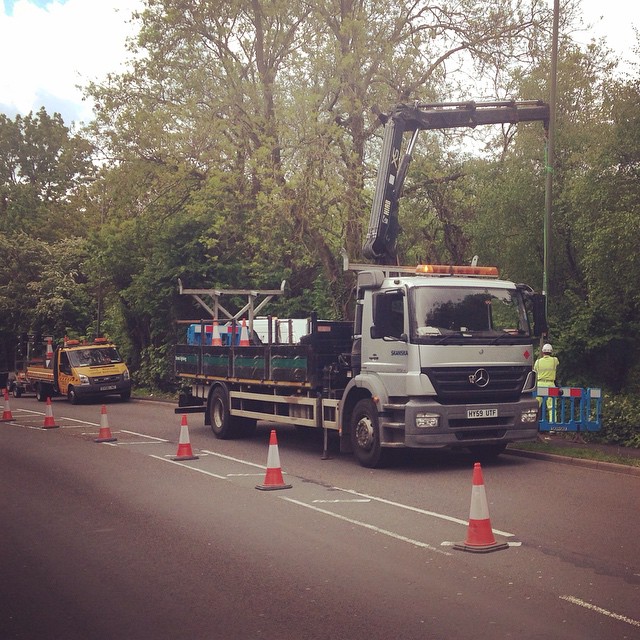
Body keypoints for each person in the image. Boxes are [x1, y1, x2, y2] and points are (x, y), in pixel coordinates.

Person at [534, 343, 560, 434]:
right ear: (551, 351)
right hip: (550, 384)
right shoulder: (554, 360)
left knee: (536, 406)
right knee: (552, 406)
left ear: (542, 352)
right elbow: (557, 364)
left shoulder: (538, 362)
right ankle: (552, 427)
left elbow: (535, 370)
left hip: (540, 384)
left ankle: (533, 426)